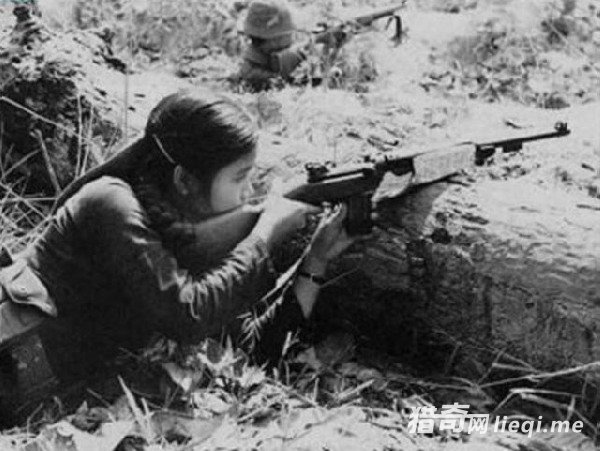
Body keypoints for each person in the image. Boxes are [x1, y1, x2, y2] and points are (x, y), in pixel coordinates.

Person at [0, 89, 355, 423]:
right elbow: (187, 314)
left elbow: (251, 351)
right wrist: (264, 236)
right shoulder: (109, 202)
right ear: (184, 180)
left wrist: (316, 260)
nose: (249, 193)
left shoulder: (188, 239)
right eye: (239, 178)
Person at [237, 0, 347, 91]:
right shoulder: (254, 74)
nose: (293, 35)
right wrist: (326, 78)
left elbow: (294, 50)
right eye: (289, 33)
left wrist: (321, 38)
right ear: (274, 39)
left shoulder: (264, 51)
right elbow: (292, 86)